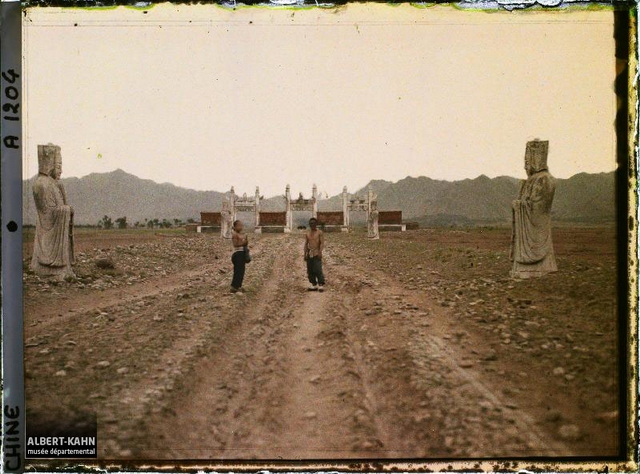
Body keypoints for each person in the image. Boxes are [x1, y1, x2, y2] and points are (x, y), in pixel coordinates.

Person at [510, 139, 557, 278]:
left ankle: (537, 267)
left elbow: (537, 209)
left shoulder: (545, 179)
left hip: (537, 231)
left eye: (528, 159)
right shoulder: (533, 180)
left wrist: (519, 206)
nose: (526, 163)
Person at [30, 144, 75, 280]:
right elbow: (47, 215)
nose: (61, 170)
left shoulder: (54, 184)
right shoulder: (41, 184)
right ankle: (50, 271)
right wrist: (66, 210)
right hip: (48, 236)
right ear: (50, 164)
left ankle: (65, 270)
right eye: (59, 166)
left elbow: (60, 206)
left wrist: (66, 205)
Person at [304, 217, 325, 292]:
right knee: (310, 270)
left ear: (316, 224)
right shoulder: (307, 233)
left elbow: (322, 243)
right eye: (310, 223)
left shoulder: (320, 232)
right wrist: (305, 254)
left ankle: (321, 285)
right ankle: (314, 284)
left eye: (313, 223)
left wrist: (320, 252)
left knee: (318, 269)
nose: (312, 224)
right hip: (310, 253)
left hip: (316, 253)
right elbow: (306, 244)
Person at [230, 220, 248, 293]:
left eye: (241, 225)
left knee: (241, 271)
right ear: (235, 227)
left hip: (242, 253)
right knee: (238, 271)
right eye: (239, 225)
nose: (241, 227)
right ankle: (234, 287)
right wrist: (243, 242)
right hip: (238, 254)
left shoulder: (242, 234)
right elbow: (235, 244)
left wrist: (246, 241)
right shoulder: (234, 234)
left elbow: (246, 243)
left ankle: (239, 286)